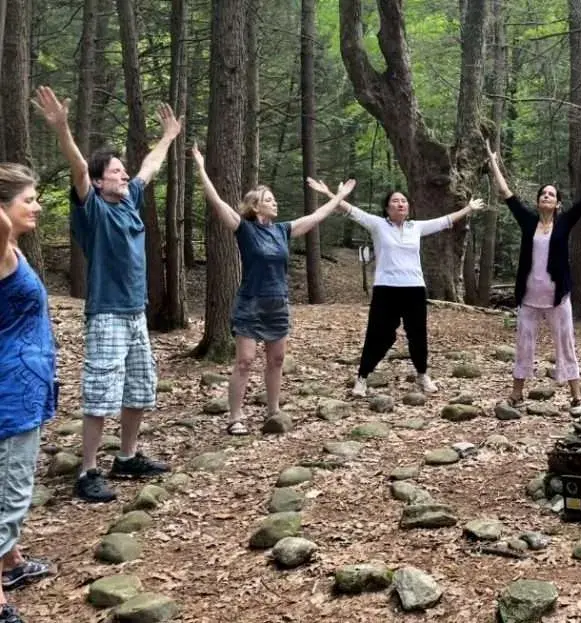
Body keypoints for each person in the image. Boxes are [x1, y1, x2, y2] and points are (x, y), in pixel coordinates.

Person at [34, 85, 180, 503]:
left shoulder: (129, 200)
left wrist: (168, 137)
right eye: (115, 171)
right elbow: (79, 168)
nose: (124, 175)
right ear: (99, 182)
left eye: (122, 170)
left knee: (140, 388)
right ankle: (87, 470)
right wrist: (62, 129)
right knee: (100, 394)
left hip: (136, 314)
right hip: (107, 315)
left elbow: (150, 167)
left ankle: (127, 457)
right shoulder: (93, 209)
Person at [192, 143, 356, 434]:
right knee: (244, 361)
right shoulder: (244, 229)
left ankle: (273, 410)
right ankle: (235, 417)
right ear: (256, 206)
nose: (275, 203)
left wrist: (339, 197)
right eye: (269, 200)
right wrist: (201, 168)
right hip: (250, 303)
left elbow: (316, 217)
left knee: (277, 360)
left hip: (278, 303)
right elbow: (217, 202)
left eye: (275, 199)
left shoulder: (282, 231)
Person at [307, 180, 484, 397]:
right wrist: (329, 193)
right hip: (386, 288)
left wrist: (468, 208)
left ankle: (422, 374)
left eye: (403, 201)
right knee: (378, 334)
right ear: (387, 207)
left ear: (408, 207)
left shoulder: (416, 227)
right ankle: (362, 378)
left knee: (418, 334)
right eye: (395, 201)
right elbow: (351, 211)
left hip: (414, 288)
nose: (400, 204)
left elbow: (444, 221)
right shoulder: (378, 225)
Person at [485, 141, 581, 407]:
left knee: (565, 343)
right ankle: (516, 393)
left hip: (557, 297)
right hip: (529, 298)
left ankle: (576, 396)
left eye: (551, 194)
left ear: (558, 203)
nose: (546, 196)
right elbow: (506, 193)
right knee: (524, 344)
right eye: (543, 194)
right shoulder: (528, 221)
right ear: (538, 202)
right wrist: (493, 162)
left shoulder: (564, 223)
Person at [0, 164, 57, 623]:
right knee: (9, 492)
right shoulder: (1, 248)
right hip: (10, 394)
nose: (37, 207)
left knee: (12, 482)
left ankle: (10, 561)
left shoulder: (12, 248)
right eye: (29, 200)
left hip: (25, 388)